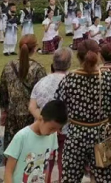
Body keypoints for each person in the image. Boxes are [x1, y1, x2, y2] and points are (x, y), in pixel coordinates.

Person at [55, 39, 111, 183]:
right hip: (103, 134)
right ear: (98, 54)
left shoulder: (70, 78)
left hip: (76, 134)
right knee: (104, 178)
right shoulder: (107, 76)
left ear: (78, 57)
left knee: (71, 177)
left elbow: (58, 105)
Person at [29, 47, 72, 182]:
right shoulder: (73, 82)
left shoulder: (42, 82)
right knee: (64, 165)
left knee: (45, 163)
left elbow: (32, 106)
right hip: (67, 130)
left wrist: (46, 121)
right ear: (69, 64)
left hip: (46, 129)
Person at [0, 34, 47, 149]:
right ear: (35, 48)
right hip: (31, 116)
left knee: (12, 150)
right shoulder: (38, 69)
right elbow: (43, 95)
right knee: (29, 151)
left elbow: (3, 93)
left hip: (12, 115)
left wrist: (3, 112)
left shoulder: (8, 66)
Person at [3, 100, 68, 183]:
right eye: (51, 128)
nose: (53, 132)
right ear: (41, 118)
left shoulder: (52, 136)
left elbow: (46, 165)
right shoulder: (22, 137)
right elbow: (8, 171)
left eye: (57, 129)